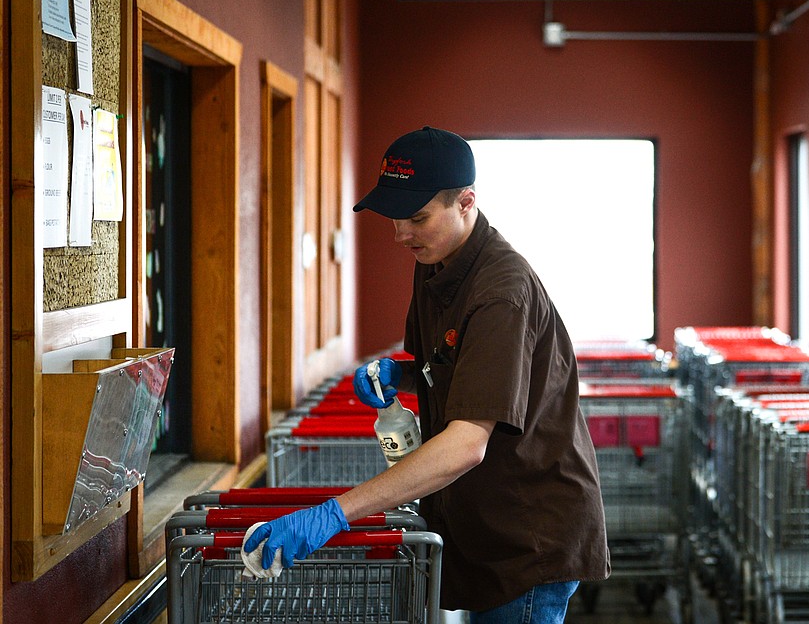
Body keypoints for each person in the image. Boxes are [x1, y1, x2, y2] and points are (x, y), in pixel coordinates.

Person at [244, 126, 610, 623]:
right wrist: (403, 372)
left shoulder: (502, 290)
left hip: (527, 534)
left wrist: (335, 513)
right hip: (481, 523)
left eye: (416, 218)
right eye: (394, 219)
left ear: (466, 202)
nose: (400, 235)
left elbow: (467, 443)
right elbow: (447, 364)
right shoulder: (436, 261)